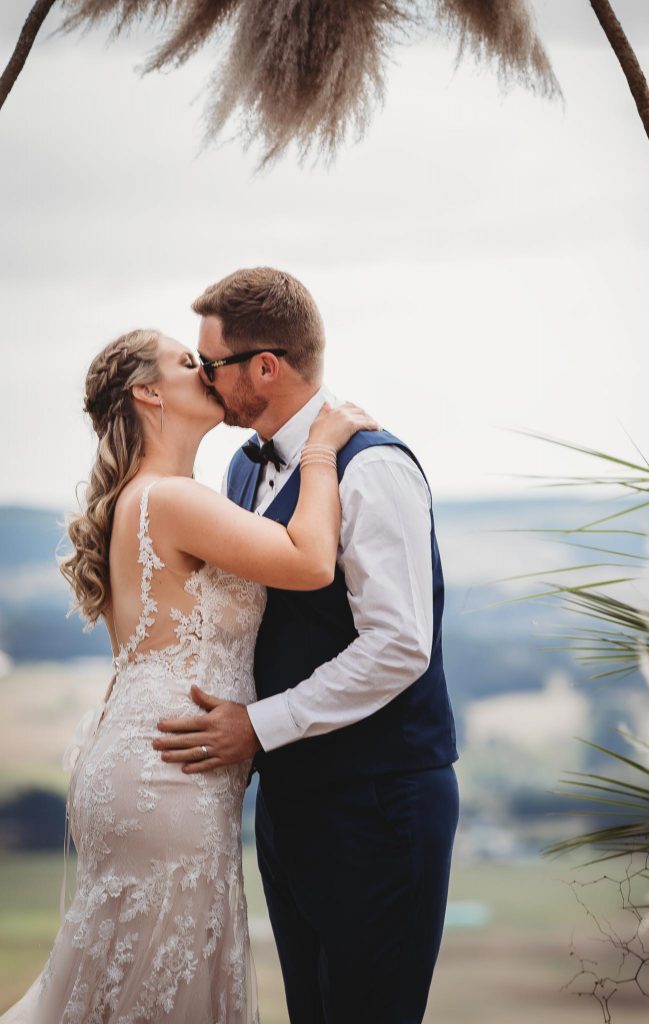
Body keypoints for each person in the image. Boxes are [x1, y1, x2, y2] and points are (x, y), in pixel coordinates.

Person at [0, 326, 376, 1024]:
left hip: (154, 761)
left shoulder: (146, 499)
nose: (204, 369)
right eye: (185, 361)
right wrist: (321, 451)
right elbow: (310, 560)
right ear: (148, 392)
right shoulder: (170, 499)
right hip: (170, 770)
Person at [154, 266, 460, 1023]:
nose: (204, 378)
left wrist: (257, 726)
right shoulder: (239, 469)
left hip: (379, 805)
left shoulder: (375, 467)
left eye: (212, 363)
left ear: (265, 367)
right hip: (289, 808)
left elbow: (398, 646)